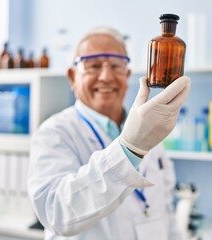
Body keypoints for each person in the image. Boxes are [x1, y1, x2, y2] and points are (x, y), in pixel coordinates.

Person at [28, 26, 191, 240]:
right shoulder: (54, 133)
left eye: (116, 66)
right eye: (93, 66)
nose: (106, 77)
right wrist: (129, 149)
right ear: (72, 77)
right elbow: (56, 213)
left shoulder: (150, 132)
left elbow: (165, 210)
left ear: (128, 75)